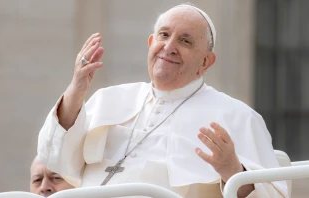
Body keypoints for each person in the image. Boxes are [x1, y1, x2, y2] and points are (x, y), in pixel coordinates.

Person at [37, 3, 288, 198]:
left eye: (185, 41)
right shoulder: (107, 98)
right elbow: (53, 157)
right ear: (150, 43)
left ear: (206, 62)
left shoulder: (237, 116)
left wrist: (232, 170)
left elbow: (273, 195)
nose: (169, 47)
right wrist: (76, 89)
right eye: (164, 35)